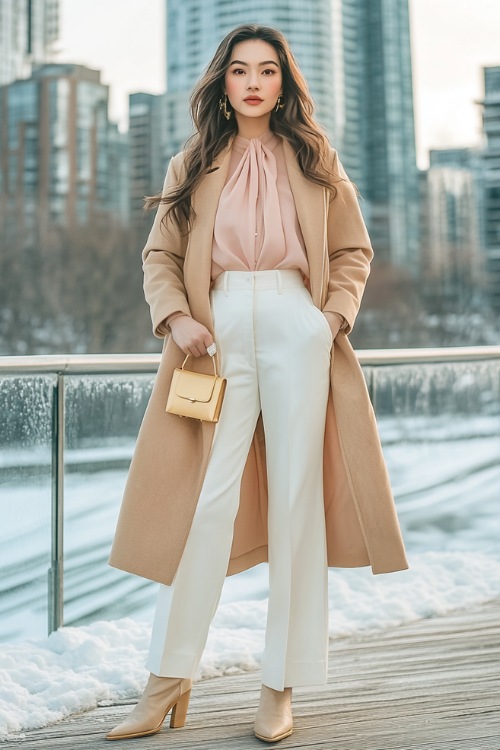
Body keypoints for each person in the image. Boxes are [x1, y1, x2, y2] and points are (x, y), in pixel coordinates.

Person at [106, 23, 408, 744]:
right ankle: (167, 678)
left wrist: (329, 318)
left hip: (295, 320)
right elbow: (161, 255)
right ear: (222, 82)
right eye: (239, 70)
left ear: (283, 83)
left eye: (266, 70)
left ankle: (281, 683)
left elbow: (351, 250)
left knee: (295, 503)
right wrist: (175, 317)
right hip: (213, 335)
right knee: (202, 505)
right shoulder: (195, 161)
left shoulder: (314, 158)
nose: (251, 82)